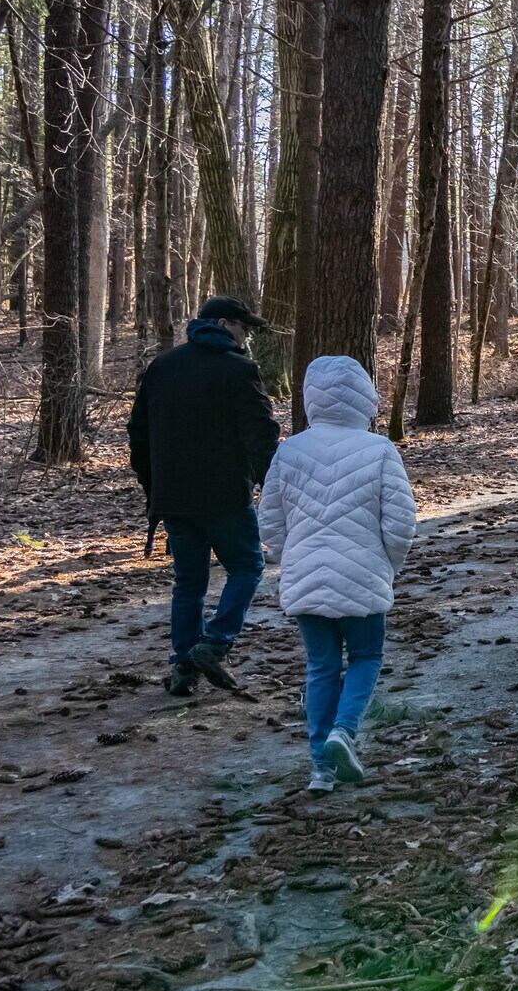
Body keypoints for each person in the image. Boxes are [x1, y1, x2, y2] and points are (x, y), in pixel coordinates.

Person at [258, 355, 416, 793]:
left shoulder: (288, 450)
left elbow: (270, 520)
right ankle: (343, 733)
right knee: (366, 657)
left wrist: (292, 559)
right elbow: (401, 524)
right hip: (364, 574)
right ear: (364, 397)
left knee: (321, 666)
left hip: (305, 577)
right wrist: (388, 564)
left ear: (311, 398)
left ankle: (319, 770)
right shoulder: (380, 450)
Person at [128, 296, 281, 696]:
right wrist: (274, 486)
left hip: (174, 498)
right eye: (243, 327)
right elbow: (260, 437)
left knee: (189, 583)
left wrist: (154, 489)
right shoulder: (239, 370)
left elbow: (138, 437)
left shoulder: (162, 368)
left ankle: (183, 667)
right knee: (247, 568)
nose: (246, 336)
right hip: (225, 496)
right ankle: (213, 644)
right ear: (222, 323)